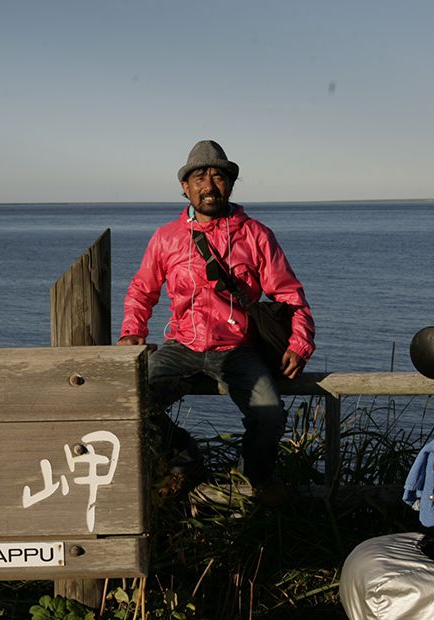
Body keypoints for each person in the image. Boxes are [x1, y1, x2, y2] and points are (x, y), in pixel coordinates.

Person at [117, 140, 315, 504]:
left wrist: (299, 344)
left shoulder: (255, 235)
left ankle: (248, 482)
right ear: (185, 187)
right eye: (199, 177)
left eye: (218, 176)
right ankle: (184, 453)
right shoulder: (167, 238)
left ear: (231, 184)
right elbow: (142, 290)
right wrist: (132, 332)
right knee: (127, 400)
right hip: (182, 346)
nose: (209, 186)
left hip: (238, 349)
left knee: (269, 414)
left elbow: (289, 295)